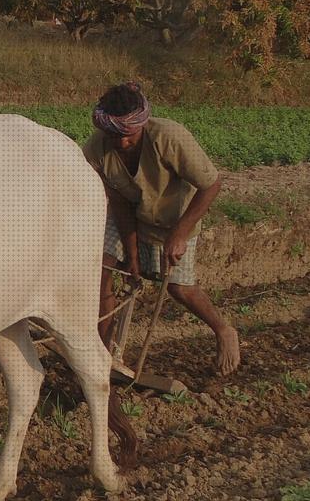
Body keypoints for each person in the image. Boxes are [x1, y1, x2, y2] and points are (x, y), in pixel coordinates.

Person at [83, 82, 241, 376]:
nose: (121, 143)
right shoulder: (97, 148)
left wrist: (179, 234)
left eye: (128, 135)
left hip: (176, 220)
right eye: (113, 136)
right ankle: (102, 355)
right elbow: (118, 203)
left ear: (141, 124)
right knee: (102, 270)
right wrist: (132, 256)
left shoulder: (169, 137)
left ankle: (223, 330)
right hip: (130, 215)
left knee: (180, 288)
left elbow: (211, 185)